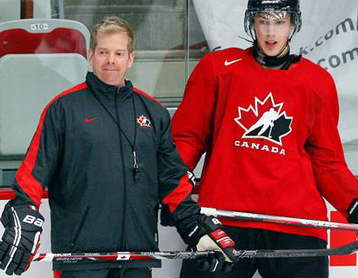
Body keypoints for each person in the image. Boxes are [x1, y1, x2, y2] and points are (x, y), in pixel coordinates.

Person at [172, 0, 358, 278]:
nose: (270, 32)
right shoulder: (218, 68)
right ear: (252, 21)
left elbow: (327, 163)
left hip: (298, 224)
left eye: (279, 22)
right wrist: (170, 190)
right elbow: (185, 139)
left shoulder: (317, 82)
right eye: (263, 22)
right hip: (224, 219)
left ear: (293, 24)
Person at [0, 16, 238, 278]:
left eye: (118, 53)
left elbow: (172, 180)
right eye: (103, 52)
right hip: (81, 258)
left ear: (131, 58)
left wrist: (195, 227)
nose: (110, 60)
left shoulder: (153, 112)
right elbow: (35, 171)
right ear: (90, 56)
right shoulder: (64, 109)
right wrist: (24, 208)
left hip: (137, 257)